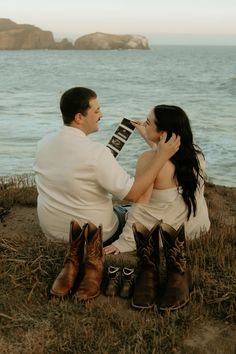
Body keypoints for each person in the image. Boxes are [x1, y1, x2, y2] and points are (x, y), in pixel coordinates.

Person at [34, 88, 180, 245]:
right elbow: (134, 194)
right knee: (129, 209)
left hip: (52, 232)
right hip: (95, 235)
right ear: (79, 117)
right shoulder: (96, 153)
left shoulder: (43, 143)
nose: (101, 115)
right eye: (97, 111)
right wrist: (161, 156)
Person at [104, 104, 211, 255]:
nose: (144, 124)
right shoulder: (195, 155)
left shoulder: (148, 159)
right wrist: (147, 134)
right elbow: (166, 155)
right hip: (195, 228)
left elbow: (141, 206)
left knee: (117, 211)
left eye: (148, 122)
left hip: (163, 234)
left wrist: (124, 243)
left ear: (162, 133)